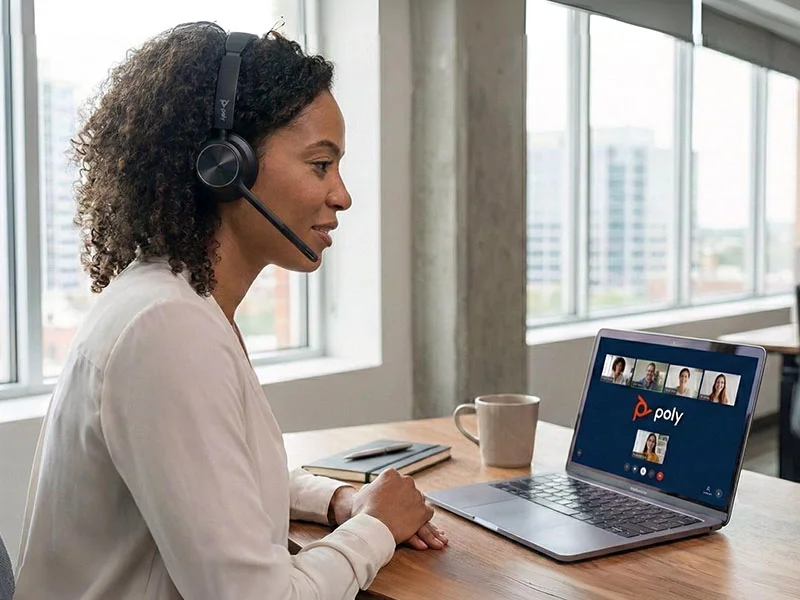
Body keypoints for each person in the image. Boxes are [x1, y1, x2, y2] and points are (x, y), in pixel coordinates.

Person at [13, 23, 447, 600]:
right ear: (225, 166)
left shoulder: (169, 300)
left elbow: (214, 484)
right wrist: (376, 529)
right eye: (321, 164)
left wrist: (339, 501)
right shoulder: (167, 331)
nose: (342, 195)